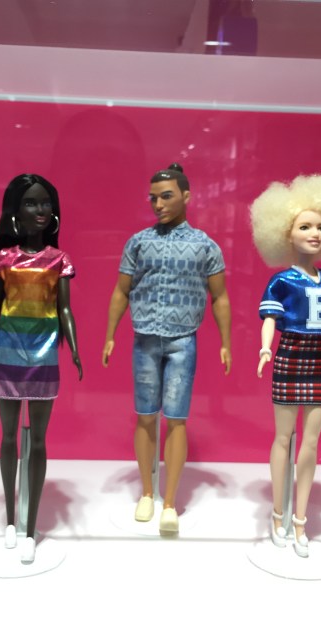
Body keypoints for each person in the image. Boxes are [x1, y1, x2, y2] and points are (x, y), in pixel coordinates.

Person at [102, 163, 231, 534]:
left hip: (182, 340)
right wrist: (110, 333)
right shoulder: (138, 242)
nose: (158, 204)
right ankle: (147, 492)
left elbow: (220, 297)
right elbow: (121, 291)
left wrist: (226, 341)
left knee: (176, 419)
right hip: (144, 338)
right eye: (153, 198)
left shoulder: (205, 246)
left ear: (186, 196)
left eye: (166, 196)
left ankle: (170, 501)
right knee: (145, 415)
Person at [0, 174, 82, 563]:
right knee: (7, 437)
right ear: (15, 210)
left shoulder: (59, 260)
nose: (40, 210)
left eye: (45, 203)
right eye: (31, 203)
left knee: (39, 441)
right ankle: (10, 520)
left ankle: (31, 527)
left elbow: (65, 310)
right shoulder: (5, 258)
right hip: (7, 353)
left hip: (45, 353)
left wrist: (75, 348)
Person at [252, 175, 321, 557]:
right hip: (289, 356)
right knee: (283, 438)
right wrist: (265, 349)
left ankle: (300, 520)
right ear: (285, 232)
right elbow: (270, 319)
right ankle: (277, 514)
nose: (314, 233)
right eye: (305, 226)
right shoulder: (281, 282)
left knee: (311, 443)